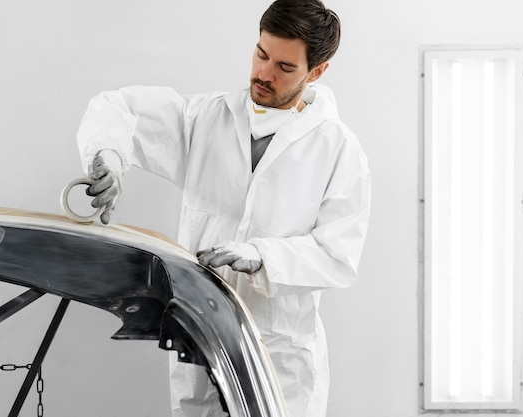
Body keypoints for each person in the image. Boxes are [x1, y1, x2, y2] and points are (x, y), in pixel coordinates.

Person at [75, 0, 371, 415]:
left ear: (316, 71)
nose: (264, 74)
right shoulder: (207, 118)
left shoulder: (338, 150)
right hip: (201, 335)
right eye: (261, 54)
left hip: (280, 351)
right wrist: (109, 155)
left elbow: (339, 256)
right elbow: (119, 109)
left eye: (285, 67)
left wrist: (261, 256)